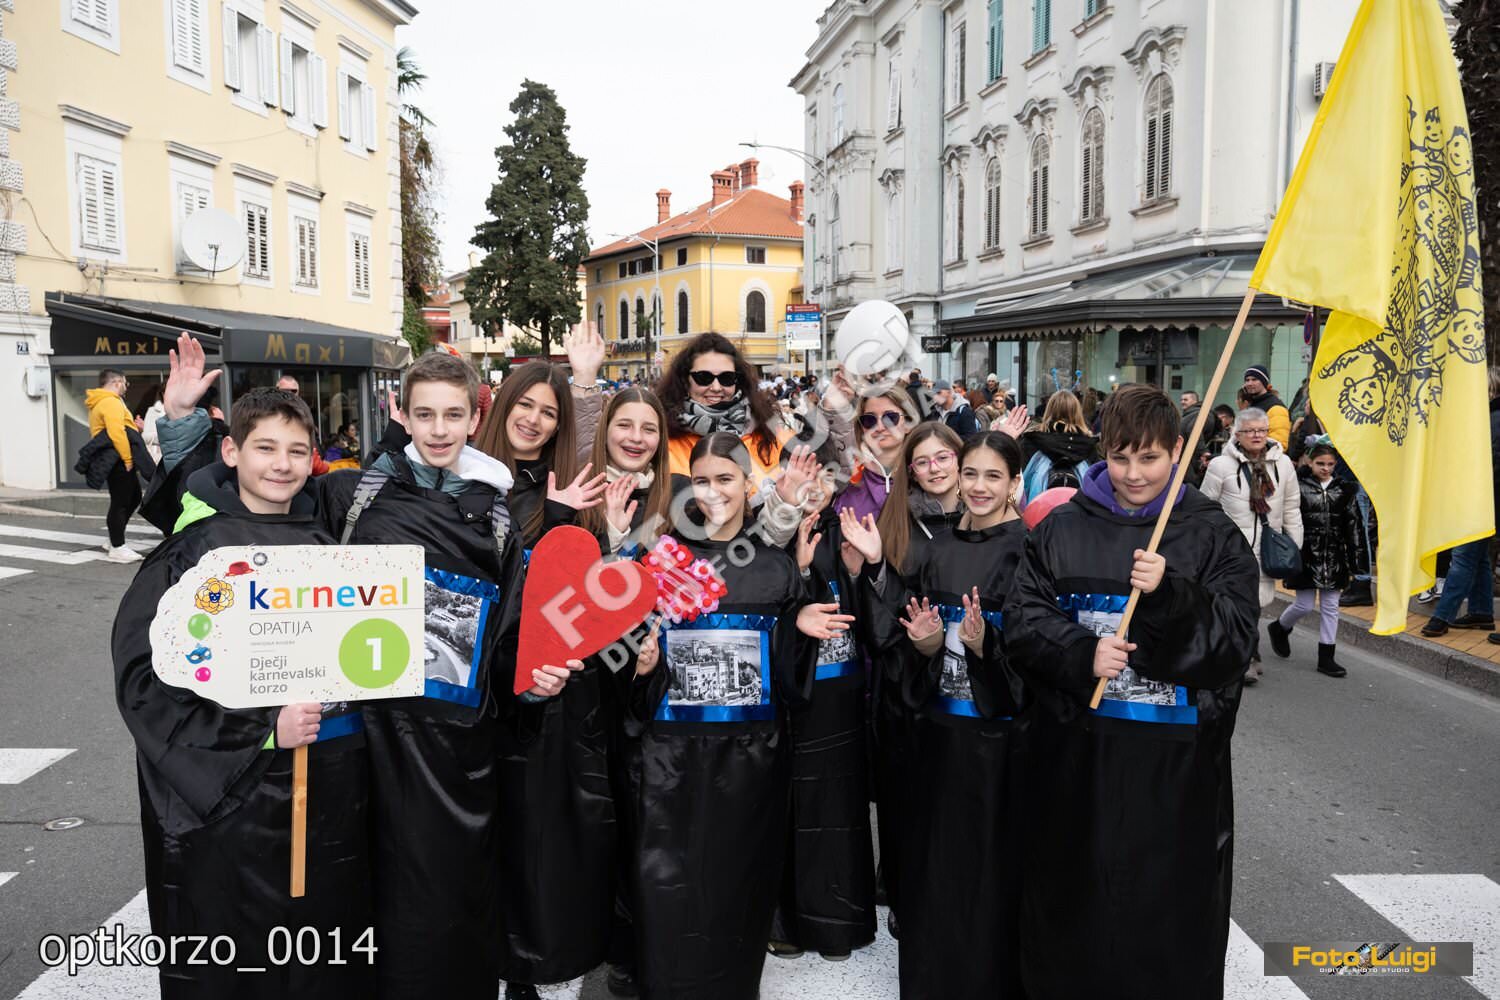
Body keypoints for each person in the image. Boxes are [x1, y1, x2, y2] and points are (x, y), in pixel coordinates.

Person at [113, 386, 375, 1000]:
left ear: (313, 459)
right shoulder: (193, 552)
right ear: (231, 452)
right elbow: (144, 679)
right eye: (265, 448)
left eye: (297, 450)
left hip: (323, 797)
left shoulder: (331, 549)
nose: (281, 464)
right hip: (228, 808)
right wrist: (260, 730)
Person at [1006, 383, 1259, 1000]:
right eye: (1120, 458)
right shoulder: (1060, 528)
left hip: (1175, 780)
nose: (1134, 474)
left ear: (1177, 451)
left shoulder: (1211, 534)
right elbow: (1023, 621)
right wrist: (1080, 653)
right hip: (1077, 767)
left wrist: (1171, 596)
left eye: (1149, 458)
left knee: (1166, 926)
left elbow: (1233, 644)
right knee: (1073, 914)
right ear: (1103, 452)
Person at [622, 431, 851, 1000]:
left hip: (752, 763)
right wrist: (643, 667)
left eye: (725, 479)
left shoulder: (774, 567)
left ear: (748, 485)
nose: (713, 491)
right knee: (668, 883)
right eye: (701, 480)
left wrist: (796, 628)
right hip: (671, 761)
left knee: (739, 883)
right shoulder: (663, 562)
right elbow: (632, 659)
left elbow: (789, 681)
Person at [846, 431, 1030, 1000]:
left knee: (994, 870)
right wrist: (925, 645)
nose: (978, 486)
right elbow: (905, 633)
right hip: (936, 737)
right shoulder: (938, 548)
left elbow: (1043, 658)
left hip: (1001, 748)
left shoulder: (1032, 551)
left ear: (1015, 482)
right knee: (935, 866)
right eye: (971, 473)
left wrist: (985, 649)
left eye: (992, 476)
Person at [769, 447, 875, 964]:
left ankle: (840, 924)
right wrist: (799, 570)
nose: (814, 486)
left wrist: (857, 573)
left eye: (824, 476)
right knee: (791, 809)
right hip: (794, 699)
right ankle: (787, 922)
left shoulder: (849, 530)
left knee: (841, 810)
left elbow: (872, 618)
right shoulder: (771, 536)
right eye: (803, 475)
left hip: (843, 695)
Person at [1201, 407, 1303, 683]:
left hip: (1266, 549)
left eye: (1262, 430)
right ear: (1237, 434)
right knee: (1236, 604)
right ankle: (1244, 658)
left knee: (1255, 606)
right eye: (1250, 431)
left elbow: (1292, 506)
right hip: (1230, 551)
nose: (1257, 436)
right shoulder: (1221, 466)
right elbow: (1206, 507)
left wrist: (1294, 545)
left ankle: (1249, 651)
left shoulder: (1283, 464)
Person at [1266, 443, 1361, 677]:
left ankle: (1326, 657)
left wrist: (1356, 559)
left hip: (1335, 555)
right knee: (1304, 604)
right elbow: (1287, 517)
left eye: (1330, 464)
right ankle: (1280, 627)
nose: (1326, 468)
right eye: (1320, 463)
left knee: (1331, 607)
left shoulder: (1344, 490)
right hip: (1306, 552)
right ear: (1310, 462)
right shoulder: (1298, 486)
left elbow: (1353, 525)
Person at [659, 333, 794, 486]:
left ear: (738, 380)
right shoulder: (659, 442)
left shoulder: (774, 436)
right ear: (685, 380)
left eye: (726, 378)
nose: (716, 387)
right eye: (703, 377)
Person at [1426, 367, 1500, 639]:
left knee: (1463, 557)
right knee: (1478, 557)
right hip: (1484, 500)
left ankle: (1441, 616)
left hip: (1480, 501)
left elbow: (1485, 466)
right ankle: (1481, 612)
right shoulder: (1488, 418)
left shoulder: (1491, 420)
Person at [834, 387, 922, 523]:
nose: (880, 427)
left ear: (908, 424)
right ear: (862, 427)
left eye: (890, 418)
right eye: (870, 420)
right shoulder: (845, 476)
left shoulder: (924, 474)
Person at [86, 369, 146, 562]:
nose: (126, 387)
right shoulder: (110, 402)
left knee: (134, 497)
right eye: (125, 383)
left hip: (115, 456)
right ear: (116, 382)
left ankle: (114, 538)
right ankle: (117, 547)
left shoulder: (104, 401)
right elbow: (116, 433)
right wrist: (128, 459)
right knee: (121, 502)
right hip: (118, 458)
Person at [1018, 392, 1099, 500]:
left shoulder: (1032, 441)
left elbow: (1018, 483)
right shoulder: (1088, 444)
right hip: (1080, 506)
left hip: (1039, 506)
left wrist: (1010, 502)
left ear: (1049, 411)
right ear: (1077, 413)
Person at [1241, 365, 1290, 448]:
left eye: (1254, 379)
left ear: (1264, 382)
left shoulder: (1276, 408)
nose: (1249, 383)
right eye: (1247, 380)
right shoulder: (1253, 405)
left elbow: (1279, 443)